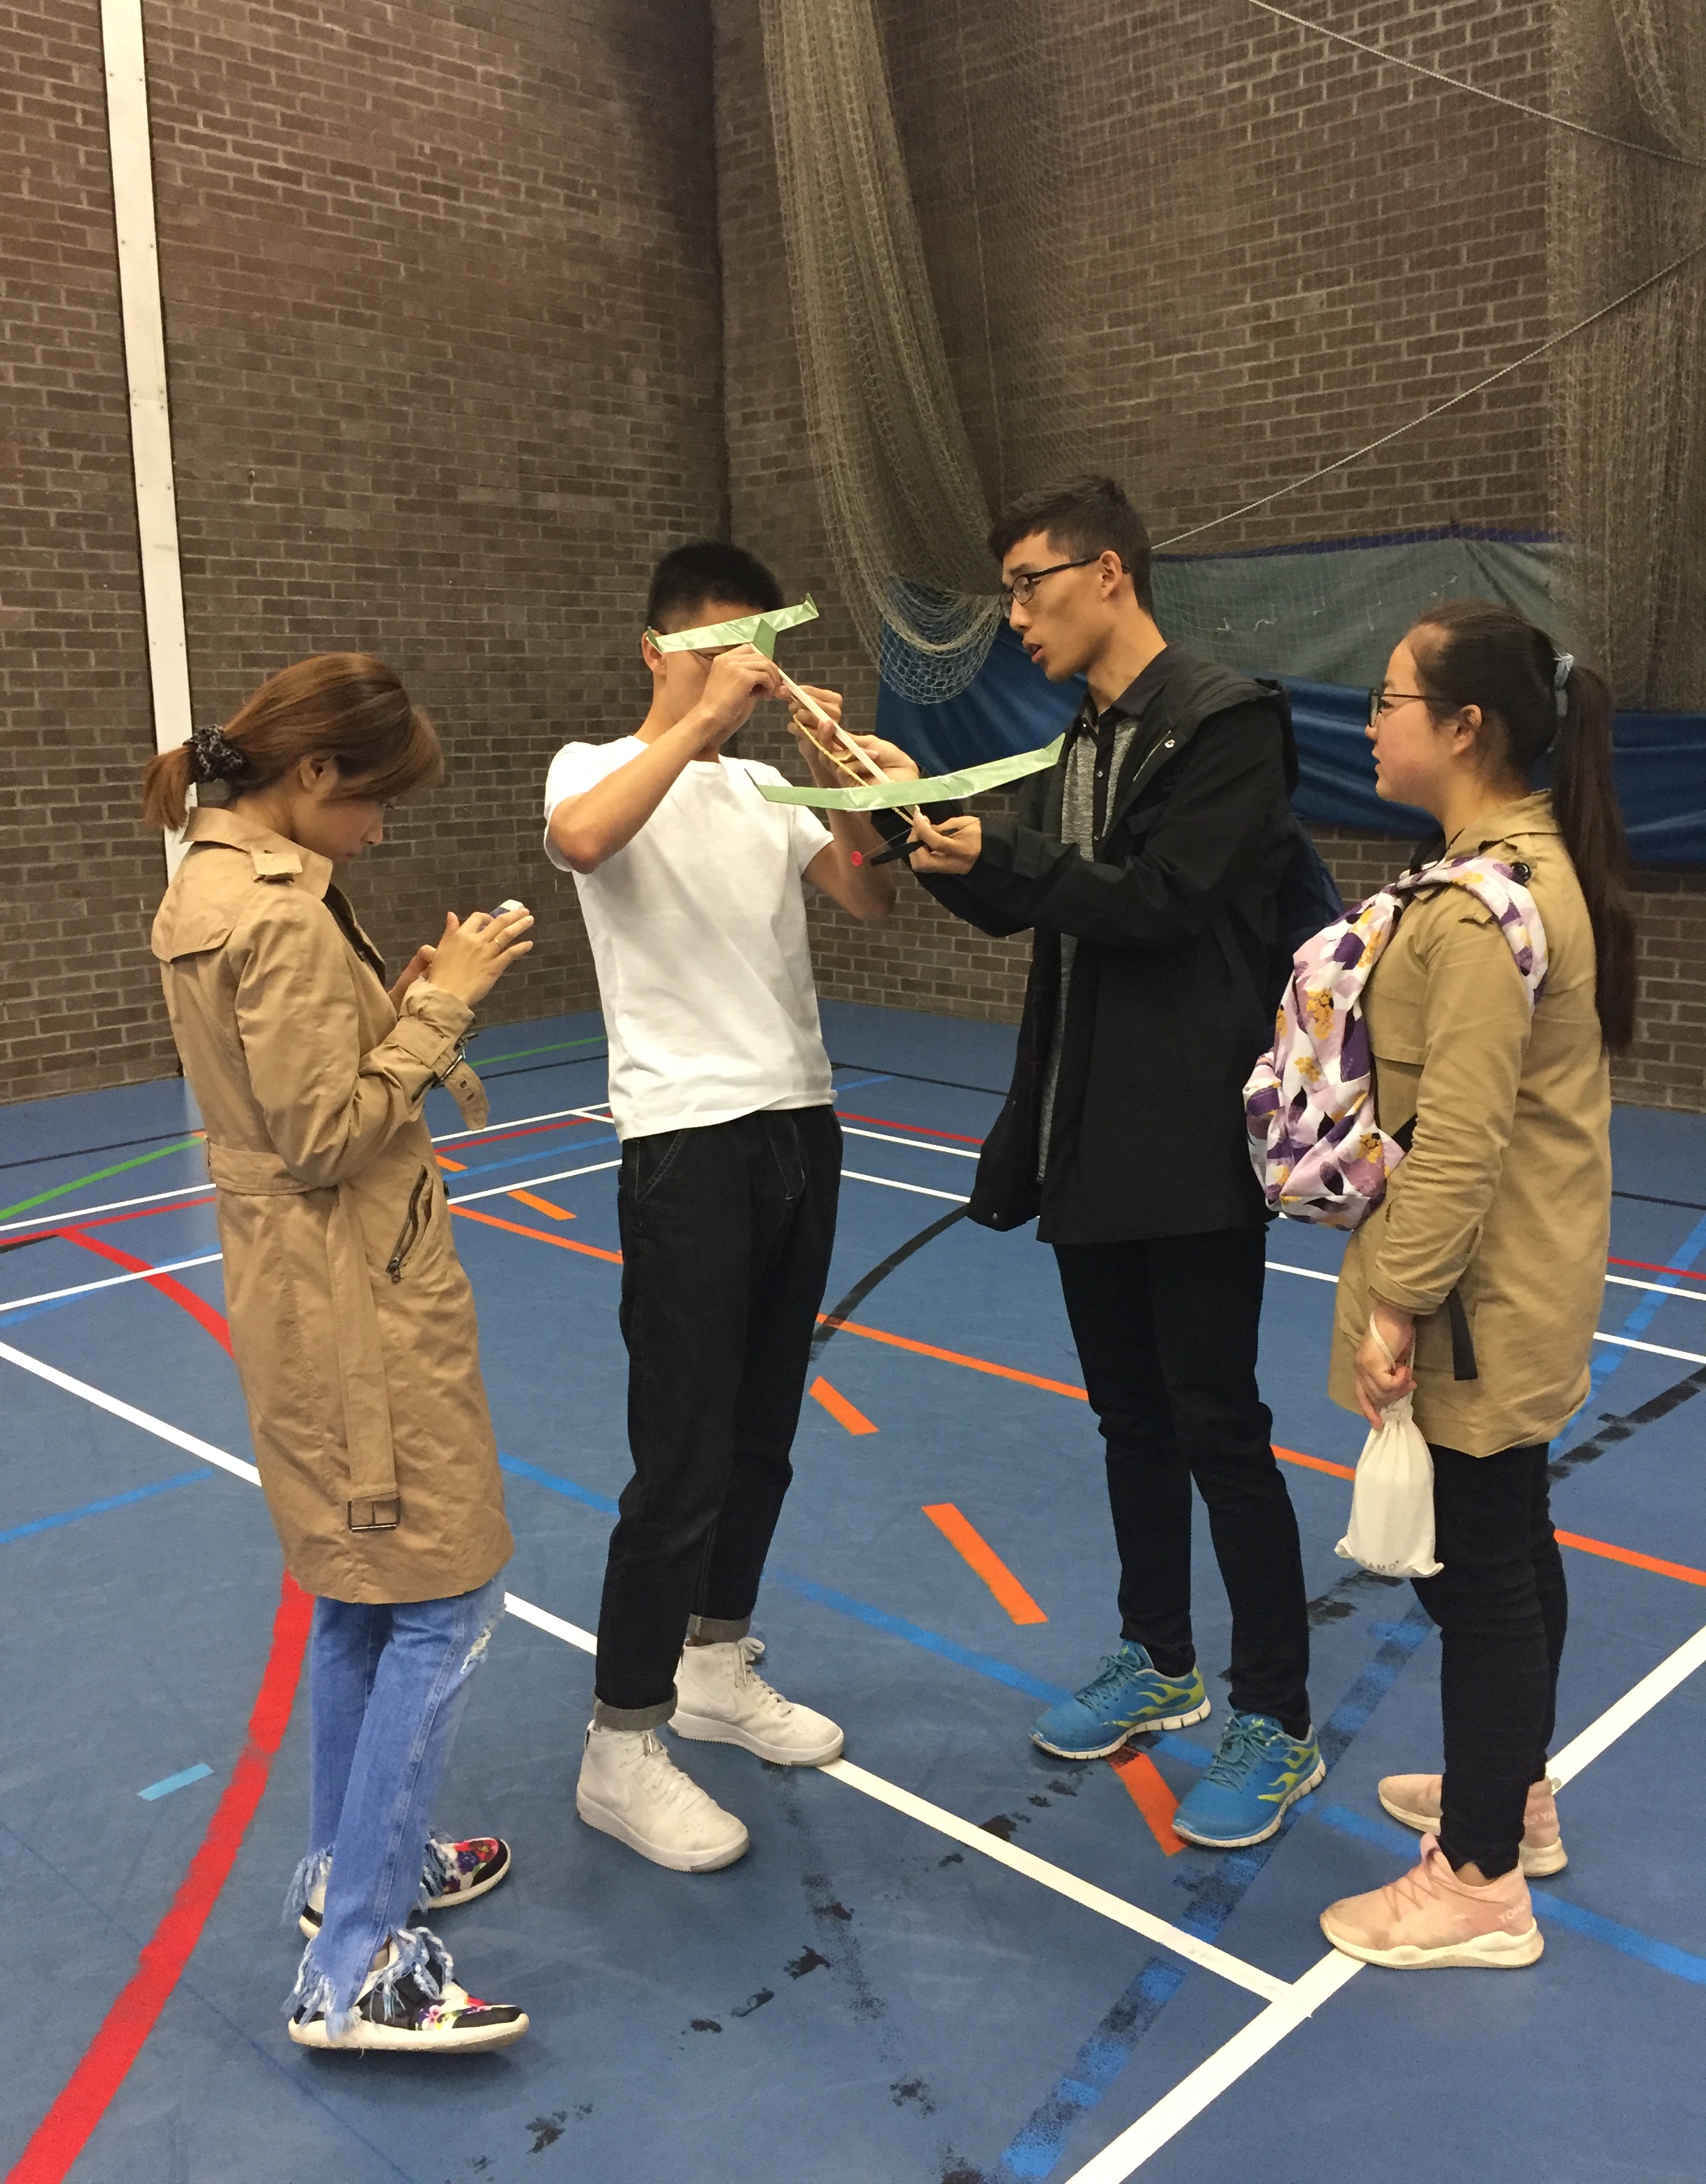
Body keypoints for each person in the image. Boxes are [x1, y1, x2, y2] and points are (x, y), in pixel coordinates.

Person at [909, 475, 1323, 1847]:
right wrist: (922, 829)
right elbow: (1033, 904)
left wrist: (1013, 856)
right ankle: (1159, 1659)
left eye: (1029, 585)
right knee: (1129, 1421)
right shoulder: (1082, 739)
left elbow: (1163, 903)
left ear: (1109, 574)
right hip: (1086, 1133)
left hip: (1190, 1142)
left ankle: (1276, 1717)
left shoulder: (1227, 722)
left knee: (1219, 1425)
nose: (1016, 617)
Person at [144, 654, 535, 2051]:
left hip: (306, 1288)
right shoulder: (279, 915)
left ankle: (348, 1864)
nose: (376, 831)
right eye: (373, 802)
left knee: (362, 1590)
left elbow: (286, 1088)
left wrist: (391, 1004)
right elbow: (322, 1138)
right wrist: (444, 1005)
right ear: (314, 774)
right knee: (442, 1592)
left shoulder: (215, 882)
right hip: (354, 1298)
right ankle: (358, 1964)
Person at [543, 541, 918, 1870]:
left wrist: (861, 788)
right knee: (683, 1451)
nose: (744, 674)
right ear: (657, 652)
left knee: (763, 1431)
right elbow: (582, 843)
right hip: (685, 1138)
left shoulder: (767, 785)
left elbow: (868, 898)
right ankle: (619, 1742)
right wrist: (698, 722)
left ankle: (714, 1662)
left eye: (757, 651)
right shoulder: (593, 766)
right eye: (717, 650)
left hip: (799, 1120)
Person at [1319, 602, 1634, 1969]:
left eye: (1389, 699)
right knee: (1513, 1539)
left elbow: (1455, 1143)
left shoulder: (1481, 907)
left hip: (1476, 1301)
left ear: (1464, 728)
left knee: (1484, 1572)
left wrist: (1393, 1302)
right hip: (1524, 1282)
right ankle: (1515, 1793)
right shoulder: (1521, 870)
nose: (1370, 722)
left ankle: (1481, 1881)